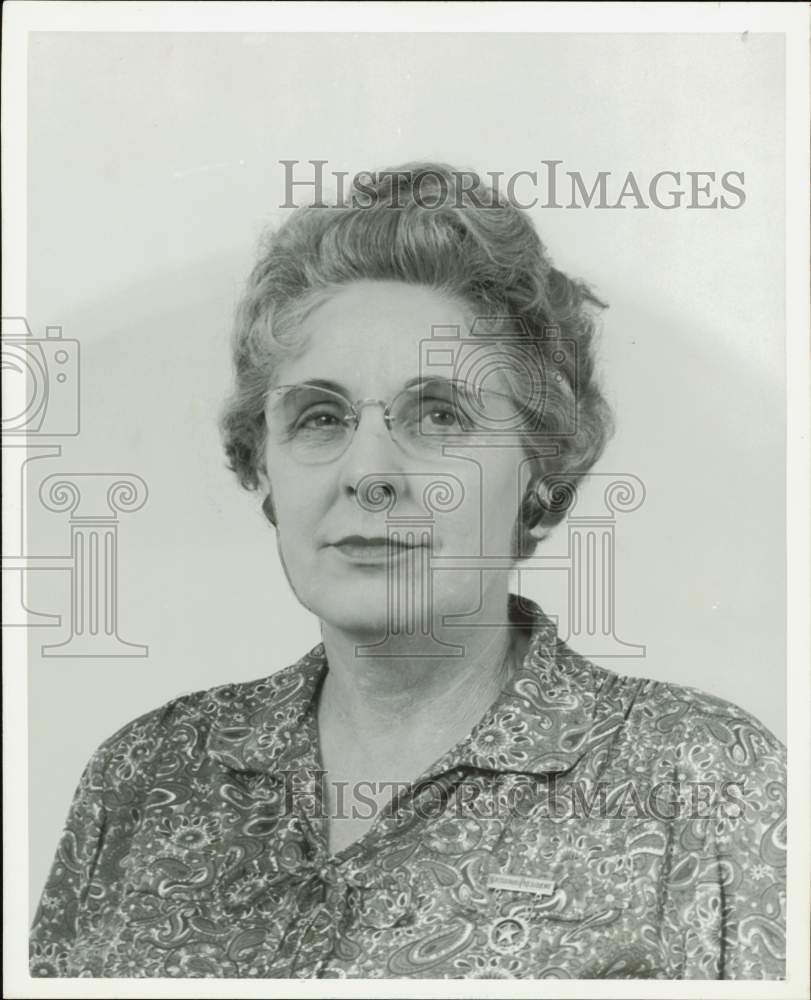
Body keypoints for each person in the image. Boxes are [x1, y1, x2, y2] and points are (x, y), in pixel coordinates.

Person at [30, 164, 786, 980]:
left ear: (538, 466)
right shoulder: (145, 775)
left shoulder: (701, 780)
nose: (370, 472)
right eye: (319, 417)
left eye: (438, 415)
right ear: (263, 467)